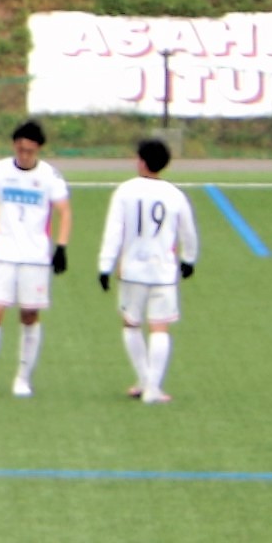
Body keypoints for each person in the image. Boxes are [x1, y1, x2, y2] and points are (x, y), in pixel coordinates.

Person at [0, 118, 71, 397]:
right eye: (21, 149)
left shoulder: (50, 176)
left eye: (30, 151)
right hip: (3, 253)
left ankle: (23, 378)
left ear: (38, 150)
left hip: (35, 256)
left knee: (29, 315)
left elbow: (64, 211)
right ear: (14, 146)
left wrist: (61, 246)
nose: (25, 155)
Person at [101, 136, 201, 404]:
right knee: (160, 327)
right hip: (164, 272)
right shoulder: (175, 194)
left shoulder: (125, 191)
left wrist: (105, 265)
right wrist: (189, 259)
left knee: (131, 324)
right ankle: (153, 387)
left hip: (132, 270)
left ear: (141, 161)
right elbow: (188, 232)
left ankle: (145, 380)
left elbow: (114, 231)